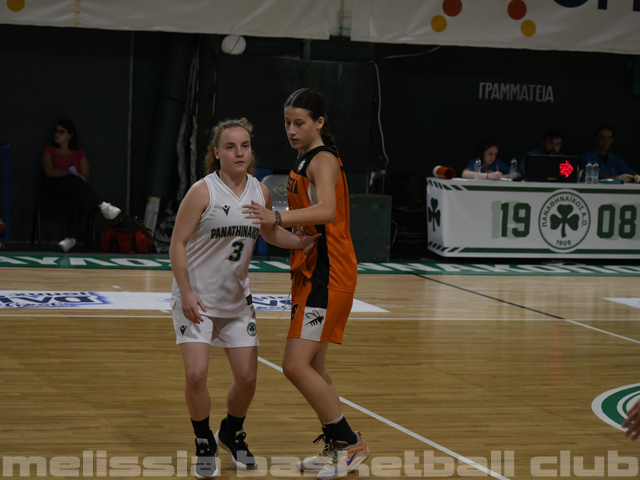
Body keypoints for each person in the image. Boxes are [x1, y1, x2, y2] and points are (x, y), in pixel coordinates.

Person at [169, 118, 319, 479]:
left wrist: (299, 242)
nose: (239, 152)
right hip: (197, 299)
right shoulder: (202, 191)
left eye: (245, 146)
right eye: (231, 147)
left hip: (237, 302)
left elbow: (271, 232)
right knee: (196, 375)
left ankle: (231, 432)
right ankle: (203, 441)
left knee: (248, 379)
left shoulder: (260, 192)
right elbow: (177, 244)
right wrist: (185, 291)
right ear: (217, 153)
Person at [243, 88, 370, 480]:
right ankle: (337, 445)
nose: (291, 130)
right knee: (314, 366)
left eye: (299, 123)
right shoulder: (303, 159)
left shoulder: (323, 159)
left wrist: (277, 217)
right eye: (287, 122)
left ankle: (349, 444)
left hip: (328, 278)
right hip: (312, 274)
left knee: (295, 366)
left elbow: (328, 210)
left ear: (319, 123)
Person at [41, 119, 121, 252]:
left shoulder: (79, 153)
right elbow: (49, 171)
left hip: (73, 189)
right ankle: (102, 205)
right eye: (56, 131)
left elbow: (85, 176)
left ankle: (71, 239)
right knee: (73, 180)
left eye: (61, 132)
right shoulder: (49, 150)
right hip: (53, 188)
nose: (57, 134)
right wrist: (69, 174)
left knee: (76, 196)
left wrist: (80, 177)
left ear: (70, 135)